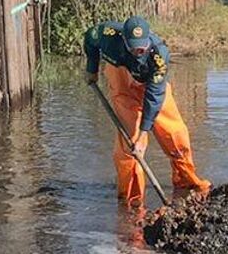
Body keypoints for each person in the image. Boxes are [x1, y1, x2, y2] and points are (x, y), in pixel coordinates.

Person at [83, 15, 212, 208]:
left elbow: (154, 97)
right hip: (121, 78)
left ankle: (186, 182)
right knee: (131, 143)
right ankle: (132, 202)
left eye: (142, 45)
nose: (139, 49)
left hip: (149, 84)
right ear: (124, 40)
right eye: (134, 46)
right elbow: (89, 40)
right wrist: (91, 69)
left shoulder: (159, 56)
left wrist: (146, 130)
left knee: (175, 133)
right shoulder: (106, 34)